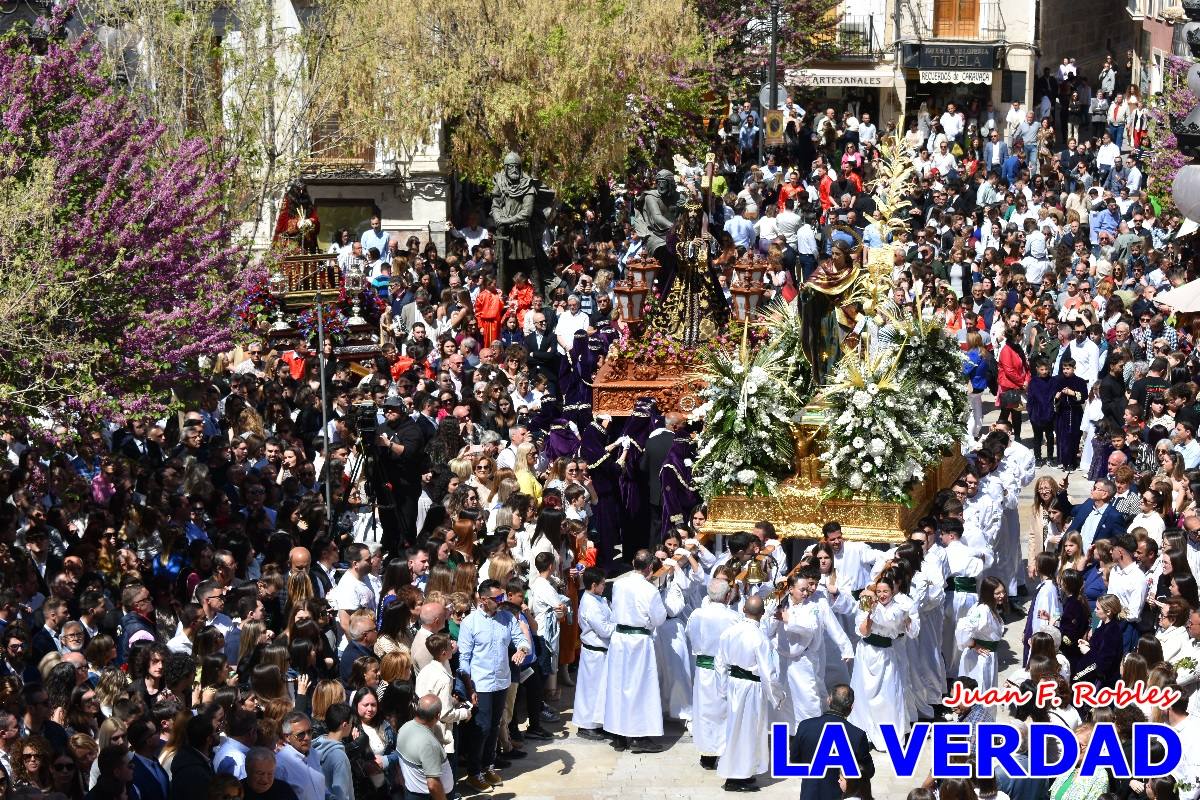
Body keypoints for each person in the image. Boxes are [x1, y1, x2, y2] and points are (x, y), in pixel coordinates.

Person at [456, 579, 530, 793]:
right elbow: (464, 659)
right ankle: (473, 772)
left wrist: (521, 650)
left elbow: (520, 638)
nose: (502, 601)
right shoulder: (470, 623)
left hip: (502, 680)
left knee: (496, 724)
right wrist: (470, 688)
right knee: (482, 728)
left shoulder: (507, 618)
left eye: (503, 596)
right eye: (497, 598)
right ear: (483, 599)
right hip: (481, 684)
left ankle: (488, 766)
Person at [603, 550, 668, 754]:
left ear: (633, 563)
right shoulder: (650, 591)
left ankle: (619, 734)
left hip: (619, 639)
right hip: (639, 642)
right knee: (640, 687)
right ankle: (640, 736)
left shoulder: (619, 584)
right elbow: (659, 619)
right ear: (649, 568)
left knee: (618, 685)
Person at [715, 594, 781, 792]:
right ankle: (736, 778)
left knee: (736, 729)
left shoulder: (729, 632)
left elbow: (719, 663)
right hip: (751, 688)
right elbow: (768, 673)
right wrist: (777, 696)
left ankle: (743, 772)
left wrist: (723, 689)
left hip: (734, 684)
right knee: (748, 731)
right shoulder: (760, 638)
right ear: (762, 614)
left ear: (743, 609)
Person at [685, 578, 739, 769]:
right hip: (724, 670)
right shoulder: (733, 617)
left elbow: (690, 634)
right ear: (727, 596)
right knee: (724, 711)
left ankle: (706, 755)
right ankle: (723, 752)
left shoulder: (696, 614)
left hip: (703, 670)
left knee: (704, 712)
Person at [790, 685, 874, 800]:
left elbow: (795, 760)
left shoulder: (805, 726)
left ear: (829, 700)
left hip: (809, 795)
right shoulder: (857, 735)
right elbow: (868, 771)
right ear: (851, 707)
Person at [574, 568, 615, 740]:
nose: (604, 586)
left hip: (601, 653)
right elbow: (605, 630)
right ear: (593, 585)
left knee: (599, 691)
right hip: (594, 653)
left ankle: (597, 723)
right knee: (590, 691)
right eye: (602, 584)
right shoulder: (590, 605)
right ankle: (586, 725)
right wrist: (620, 626)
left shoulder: (598, 599)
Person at [396, 695, 455, 800]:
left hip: (412, 792)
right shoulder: (429, 744)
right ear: (438, 716)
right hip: (430, 796)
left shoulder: (404, 727)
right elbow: (432, 785)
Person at [311, 703, 353, 800]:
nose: (352, 726)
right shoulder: (339, 757)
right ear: (345, 725)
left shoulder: (315, 746)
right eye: (351, 722)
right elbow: (341, 793)